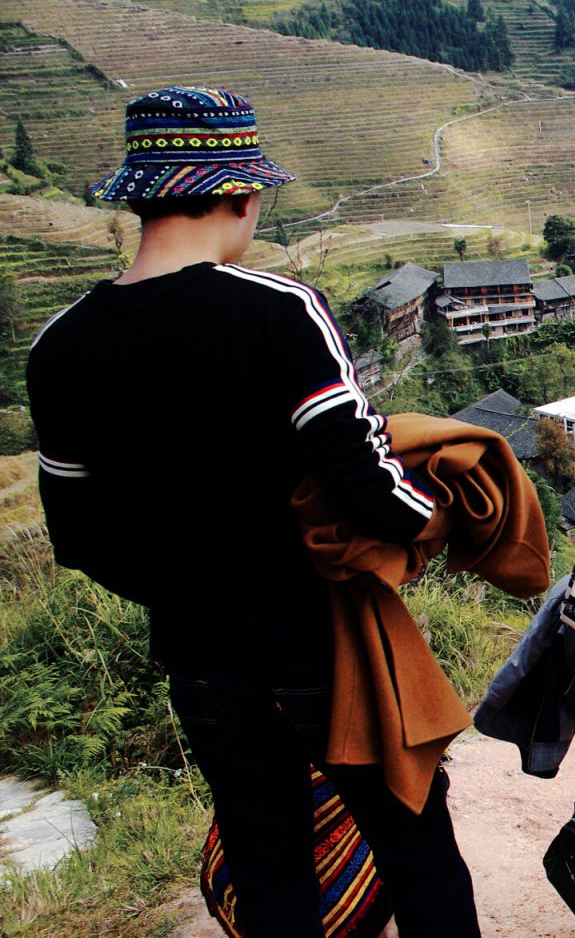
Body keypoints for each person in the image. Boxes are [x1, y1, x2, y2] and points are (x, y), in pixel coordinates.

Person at [27, 86, 479, 936]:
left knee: (271, 883)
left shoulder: (60, 345)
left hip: (203, 666)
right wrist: (442, 524)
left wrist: (187, 591)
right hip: (328, 651)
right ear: (242, 197)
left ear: (138, 198)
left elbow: (80, 538)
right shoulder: (278, 312)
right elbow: (367, 488)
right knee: (417, 854)